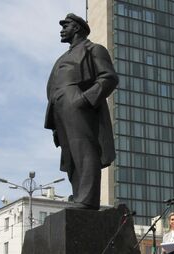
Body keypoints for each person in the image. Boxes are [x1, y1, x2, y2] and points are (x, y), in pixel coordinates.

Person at [45, 13, 119, 210]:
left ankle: (87, 199)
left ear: (77, 28)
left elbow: (109, 77)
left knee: (84, 150)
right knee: (70, 156)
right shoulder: (63, 57)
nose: (61, 29)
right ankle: (79, 196)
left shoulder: (93, 49)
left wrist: (85, 99)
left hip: (79, 103)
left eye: (66, 25)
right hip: (60, 108)